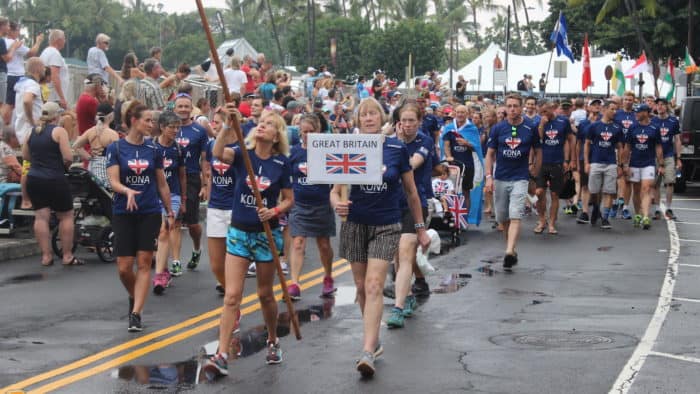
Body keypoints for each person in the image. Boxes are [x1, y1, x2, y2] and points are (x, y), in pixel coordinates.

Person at [330, 97, 430, 377]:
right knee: (361, 287)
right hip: (355, 224)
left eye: (374, 113)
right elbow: (335, 191)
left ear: (382, 117)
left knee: (375, 285)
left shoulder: (396, 148)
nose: (369, 118)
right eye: (364, 115)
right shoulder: (349, 147)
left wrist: (420, 228)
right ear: (358, 120)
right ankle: (374, 339)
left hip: (386, 224)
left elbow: (411, 193)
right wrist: (336, 203)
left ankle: (367, 350)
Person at [205, 106, 293, 376]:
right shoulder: (243, 155)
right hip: (240, 231)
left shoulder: (281, 163)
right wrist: (227, 126)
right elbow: (217, 153)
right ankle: (221, 354)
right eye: (261, 122)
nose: (263, 126)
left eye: (270, 124)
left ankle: (273, 340)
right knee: (232, 296)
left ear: (277, 135)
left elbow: (290, 199)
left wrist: (274, 211)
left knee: (265, 294)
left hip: (267, 235)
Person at [106, 101, 173, 332]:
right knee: (124, 267)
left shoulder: (154, 150)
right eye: (147, 120)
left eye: (152, 121)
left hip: (149, 211)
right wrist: (126, 191)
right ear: (133, 121)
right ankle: (135, 296)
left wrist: (170, 210)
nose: (151, 125)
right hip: (123, 211)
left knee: (144, 263)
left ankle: (136, 313)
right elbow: (113, 181)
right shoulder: (115, 148)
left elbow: (162, 184)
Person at [387, 102, 434, 329]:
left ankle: (398, 306)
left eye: (411, 121)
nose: (406, 125)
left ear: (419, 122)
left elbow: (412, 164)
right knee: (398, 255)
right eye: (403, 120)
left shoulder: (424, 141)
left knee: (405, 252)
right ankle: (410, 293)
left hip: (416, 203)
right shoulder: (390, 140)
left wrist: (395, 146)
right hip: (392, 203)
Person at [484, 94, 542, 270]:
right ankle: (511, 248)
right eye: (509, 106)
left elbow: (538, 150)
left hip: (520, 177)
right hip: (501, 177)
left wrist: (535, 169)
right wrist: (488, 177)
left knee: (515, 214)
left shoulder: (530, 127)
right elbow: (490, 154)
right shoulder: (498, 128)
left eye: (515, 106)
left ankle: (508, 251)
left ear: (521, 107)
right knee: (503, 217)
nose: (512, 109)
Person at [22, 102, 79, 266]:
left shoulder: (31, 132)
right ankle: (67, 255)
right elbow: (68, 157)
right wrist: (63, 167)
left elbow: (26, 156)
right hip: (55, 178)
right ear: (57, 116)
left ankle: (46, 256)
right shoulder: (59, 131)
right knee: (66, 215)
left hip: (34, 178)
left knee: (41, 217)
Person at [286, 113, 335, 301]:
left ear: (319, 131)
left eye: (311, 131)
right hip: (300, 204)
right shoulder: (294, 152)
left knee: (323, 244)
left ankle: (328, 276)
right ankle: (295, 283)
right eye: (304, 131)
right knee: (298, 242)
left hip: (321, 204)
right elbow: (286, 178)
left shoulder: (327, 151)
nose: (307, 135)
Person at [169, 94, 209, 276]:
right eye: (180, 106)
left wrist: (205, 183)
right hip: (172, 177)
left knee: (192, 223)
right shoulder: (169, 129)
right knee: (175, 220)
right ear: (174, 109)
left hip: (192, 178)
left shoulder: (199, 131)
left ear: (191, 108)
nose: (183, 109)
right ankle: (176, 261)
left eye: (187, 106)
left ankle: (196, 248)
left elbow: (204, 158)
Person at [152, 111, 186, 295]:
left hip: (172, 194)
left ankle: (158, 275)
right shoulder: (151, 147)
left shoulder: (178, 149)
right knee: (159, 232)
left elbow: (182, 175)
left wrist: (183, 199)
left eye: (177, 127)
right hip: (154, 195)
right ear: (162, 127)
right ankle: (163, 269)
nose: (175, 130)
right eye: (171, 127)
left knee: (166, 229)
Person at [206, 109, 237, 296]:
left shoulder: (241, 148)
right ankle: (229, 289)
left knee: (233, 259)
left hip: (235, 208)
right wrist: (209, 199)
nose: (214, 126)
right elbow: (211, 175)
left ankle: (233, 298)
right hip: (216, 208)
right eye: (214, 122)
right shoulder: (212, 146)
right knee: (217, 264)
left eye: (217, 122)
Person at [534, 101, 575, 235]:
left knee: (554, 194)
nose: (544, 114)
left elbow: (569, 140)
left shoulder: (563, 121)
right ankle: (542, 220)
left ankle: (551, 223)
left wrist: (569, 160)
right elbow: (539, 141)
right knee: (539, 192)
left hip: (557, 162)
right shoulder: (539, 123)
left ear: (552, 108)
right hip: (542, 162)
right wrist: (541, 125)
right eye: (541, 112)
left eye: (546, 111)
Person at [584, 100, 624, 230]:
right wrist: (586, 162)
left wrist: (620, 165)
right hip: (596, 162)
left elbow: (620, 147)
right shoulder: (594, 126)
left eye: (616, 109)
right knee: (594, 191)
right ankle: (596, 208)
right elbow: (587, 144)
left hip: (611, 163)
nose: (614, 112)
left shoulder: (617, 128)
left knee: (609, 191)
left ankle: (605, 217)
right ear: (605, 109)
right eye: (612, 109)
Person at [623, 104, 663, 230]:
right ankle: (638, 214)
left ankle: (646, 216)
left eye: (638, 112)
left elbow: (658, 146)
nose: (636, 114)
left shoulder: (654, 128)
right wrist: (625, 164)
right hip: (634, 163)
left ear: (646, 113)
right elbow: (627, 146)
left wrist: (661, 164)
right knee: (636, 190)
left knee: (646, 188)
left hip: (649, 163)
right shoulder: (632, 127)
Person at [2, 22, 43, 126]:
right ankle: (5, 127)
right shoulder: (13, 42)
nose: (18, 33)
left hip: (8, 75)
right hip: (15, 76)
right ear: (11, 31)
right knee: (10, 105)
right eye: (17, 31)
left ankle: (6, 127)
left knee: (8, 104)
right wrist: (38, 41)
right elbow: (32, 53)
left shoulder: (4, 42)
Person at [72, 103, 119, 189]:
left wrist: (89, 157)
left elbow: (75, 146)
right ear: (110, 116)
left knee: (94, 190)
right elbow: (118, 154)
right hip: (106, 167)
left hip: (92, 165)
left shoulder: (90, 131)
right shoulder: (112, 134)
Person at [442, 105, 476, 214]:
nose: (460, 114)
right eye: (458, 112)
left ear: (467, 114)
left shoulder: (472, 129)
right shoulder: (449, 128)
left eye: (463, 112)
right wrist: (448, 156)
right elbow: (446, 145)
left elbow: (476, 147)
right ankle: (452, 216)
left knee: (466, 191)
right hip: (453, 165)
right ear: (454, 113)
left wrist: (467, 143)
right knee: (451, 190)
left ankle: (464, 219)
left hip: (468, 164)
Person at [651, 97, 681, 220]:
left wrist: (678, 157)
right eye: (658, 104)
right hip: (654, 156)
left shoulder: (673, 121)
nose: (660, 107)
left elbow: (677, 140)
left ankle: (668, 208)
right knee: (655, 184)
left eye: (662, 104)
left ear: (667, 106)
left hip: (668, 155)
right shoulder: (652, 121)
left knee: (670, 182)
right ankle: (657, 210)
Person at [575, 99, 602, 224]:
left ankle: (597, 208)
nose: (596, 107)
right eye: (594, 105)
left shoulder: (604, 122)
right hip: (584, 158)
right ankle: (585, 212)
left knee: (598, 187)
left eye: (598, 105)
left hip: (600, 157)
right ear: (588, 107)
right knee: (585, 185)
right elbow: (579, 143)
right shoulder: (583, 123)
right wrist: (576, 160)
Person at [612, 91, 637, 219]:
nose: (628, 101)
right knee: (617, 177)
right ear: (623, 101)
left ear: (634, 101)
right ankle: (615, 202)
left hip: (632, 150)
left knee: (628, 180)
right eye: (626, 99)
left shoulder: (636, 115)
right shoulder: (617, 114)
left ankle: (625, 207)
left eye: (630, 99)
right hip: (618, 148)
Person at [39, 29, 69, 109]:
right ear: (58, 40)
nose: (65, 41)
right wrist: (62, 98)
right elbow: (54, 76)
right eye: (64, 39)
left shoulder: (45, 52)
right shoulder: (54, 54)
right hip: (55, 96)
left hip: (48, 93)